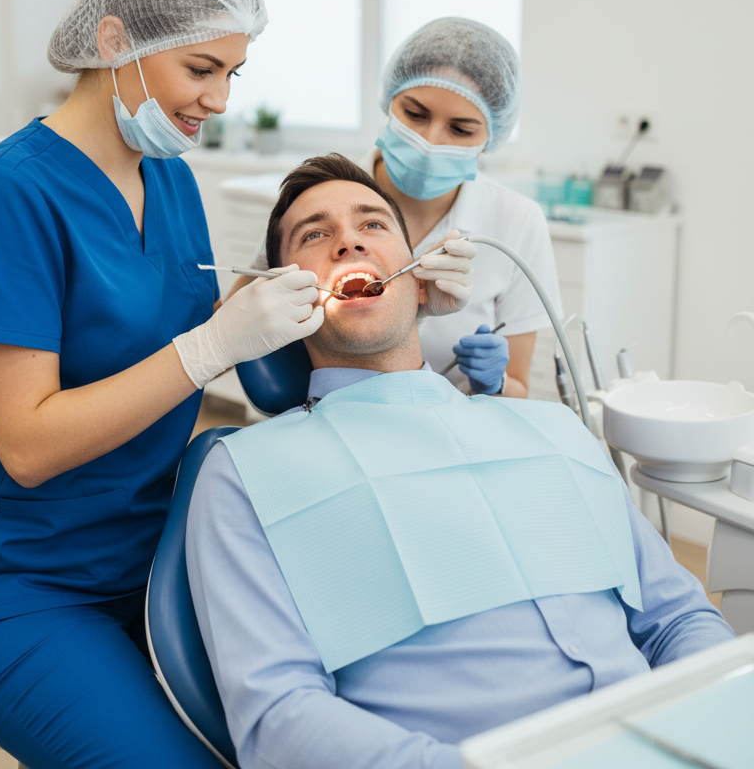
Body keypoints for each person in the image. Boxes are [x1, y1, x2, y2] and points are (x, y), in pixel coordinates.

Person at [0, 0, 326, 769]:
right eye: (201, 69)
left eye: (232, 73)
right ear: (116, 44)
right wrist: (209, 346)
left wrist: (298, 302)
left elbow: (178, 329)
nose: (219, 100)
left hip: (158, 554)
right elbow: (28, 446)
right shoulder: (9, 194)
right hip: (23, 586)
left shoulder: (167, 175)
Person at [187, 154, 732, 769]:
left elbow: (678, 620)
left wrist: (715, 723)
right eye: (315, 235)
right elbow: (277, 719)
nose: (348, 242)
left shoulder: (553, 430)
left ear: (421, 276)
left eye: (373, 225)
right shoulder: (246, 473)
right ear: (282, 293)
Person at [241, 16, 559, 398]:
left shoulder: (517, 223)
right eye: (415, 114)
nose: (429, 141)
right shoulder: (316, 199)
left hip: (457, 429)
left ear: (492, 136)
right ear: (390, 100)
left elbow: (518, 387)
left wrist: (494, 383)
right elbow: (236, 327)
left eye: (460, 129)